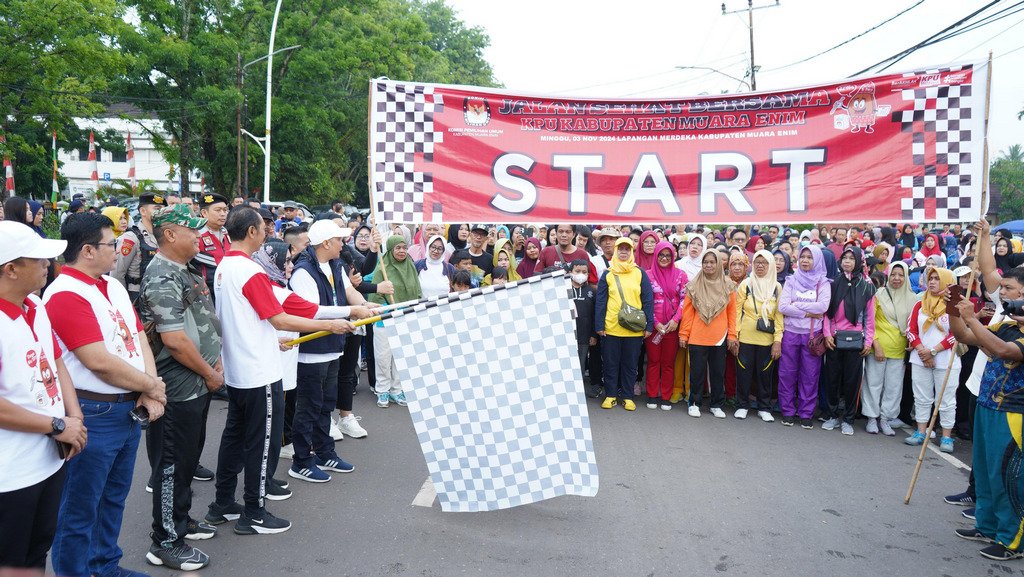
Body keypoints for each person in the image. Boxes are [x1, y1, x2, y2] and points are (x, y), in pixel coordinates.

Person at [207, 206, 353, 536]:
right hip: (258, 372)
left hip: (240, 371)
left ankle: (223, 503)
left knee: (234, 439)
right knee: (260, 444)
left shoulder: (226, 267)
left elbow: (285, 304)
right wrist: (328, 324)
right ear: (252, 233)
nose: (268, 234)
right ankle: (254, 513)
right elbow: (279, 318)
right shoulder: (248, 270)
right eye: (264, 229)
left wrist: (339, 311)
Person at [44, 212, 166, 577]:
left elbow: (138, 336)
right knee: (79, 508)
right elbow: (98, 361)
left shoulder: (110, 285)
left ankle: (104, 566)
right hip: (94, 412)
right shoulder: (65, 294)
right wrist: (151, 386)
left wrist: (150, 389)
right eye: (110, 244)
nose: (117, 251)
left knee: (113, 499)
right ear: (86, 250)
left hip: (127, 407)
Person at [0, 221, 86, 572]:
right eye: (39, 259)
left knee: (36, 553)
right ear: (11, 269)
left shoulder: (34, 305)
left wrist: (74, 418)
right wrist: (55, 425)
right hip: (10, 472)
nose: (49, 265)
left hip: (47, 461)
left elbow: (56, 362)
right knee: (10, 560)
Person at [139, 205, 221, 571]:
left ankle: (182, 520)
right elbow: (173, 340)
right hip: (178, 385)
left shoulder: (182, 269)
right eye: (192, 231)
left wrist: (212, 362)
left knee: (187, 459)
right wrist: (209, 372)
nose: (198, 237)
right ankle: (166, 541)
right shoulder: (161, 276)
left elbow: (199, 323)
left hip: (196, 382)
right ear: (170, 235)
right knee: (171, 464)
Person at [286, 221, 371, 484]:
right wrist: (352, 311)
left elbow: (349, 292)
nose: (343, 244)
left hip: (333, 348)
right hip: (311, 351)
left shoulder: (336, 264)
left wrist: (366, 305)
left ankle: (325, 453)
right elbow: (312, 311)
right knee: (308, 409)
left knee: (325, 406)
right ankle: (301, 461)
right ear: (325, 243)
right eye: (339, 240)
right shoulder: (303, 271)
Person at [949, 267, 1024, 561]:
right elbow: (965, 335)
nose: (1001, 292)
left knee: (1009, 476)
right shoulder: (1005, 323)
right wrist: (954, 307)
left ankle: (1012, 539)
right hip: (987, 406)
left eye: (1007, 288)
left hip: (1013, 413)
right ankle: (988, 525)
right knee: (985, 471)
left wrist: (970, 317)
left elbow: (1004, 351)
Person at [595, 236, 653, 411]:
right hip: (611, 327)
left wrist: (649, 325)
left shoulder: (639, 273)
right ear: (615, 250)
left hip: (634, 329)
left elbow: (648, 300)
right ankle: (611, 395)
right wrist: (599, 325)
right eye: (620, 248)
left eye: (627, 249)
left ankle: (627, 396)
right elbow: (601, 301)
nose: (623, 252)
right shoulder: (608, 273)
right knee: (610, 364)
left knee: (630, 364)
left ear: (631, 252)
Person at [904, 266, 959, 451]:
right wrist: (922, 351)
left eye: (937, 278)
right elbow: (910, 331)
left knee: (946, 400)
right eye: (931, 278)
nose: (933, 281)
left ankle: (946, 437)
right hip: (920, 358)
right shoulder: (920, 304)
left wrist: (933, 351)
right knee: (921, 397)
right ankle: (921, 431)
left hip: (947, 360)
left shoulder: (954, 305)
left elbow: (958, 334)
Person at [822, 247, 876, 436]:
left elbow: (869, 318)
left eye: (851, 258)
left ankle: (848, 419)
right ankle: (832, 416)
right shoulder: (834, 283)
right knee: (832, 378)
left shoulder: (866, 286)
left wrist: (868, 341)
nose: (847, 261)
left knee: (852, 382)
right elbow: (827, 314)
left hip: (855, 341)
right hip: (835, 339)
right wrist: (827, 334)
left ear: (859, 261)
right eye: (844, 257)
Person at [679, 249, 737, 418]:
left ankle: (716, 404)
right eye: (706, 262)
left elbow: (732, 313)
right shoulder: (694, 285)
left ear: (719, 264)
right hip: (697, 336)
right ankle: (694, 403)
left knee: (718, 372)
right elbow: (687, 313)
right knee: (696, 372)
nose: (709, 265)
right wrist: (684, 333)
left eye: (712, 262)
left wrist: (732, 335)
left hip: (719, 336)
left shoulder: (728, 285)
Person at [778, 246, 831, 428]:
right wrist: (808, 312)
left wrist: (796, 305)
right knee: (787, 373)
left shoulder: (823, 283)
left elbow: (823, 306)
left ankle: (806, 413)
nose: (805, 260)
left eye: (810, 257)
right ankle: (787, 411)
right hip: (790, 333)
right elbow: (783, 307)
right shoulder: (791, 280)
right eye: (803, 257)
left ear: (816, 260)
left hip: (812, 336)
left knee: (810, 375)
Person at [369, 235, 423, 408]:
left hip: (405, 318)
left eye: (404, 248)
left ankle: (397, 389)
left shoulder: (411, 266)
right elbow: (374, 294)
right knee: (383, 357)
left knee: (401, 357)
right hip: (385, 319)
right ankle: (382, 389)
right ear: (391, 249)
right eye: (397, 248)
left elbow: (417, 290)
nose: (401, 251)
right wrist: (387, 307)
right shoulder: (382, 268)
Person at [863, 261, 915, 436]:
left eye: (901, 275)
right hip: (878, 348)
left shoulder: (913, 298)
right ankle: (871, 418)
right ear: (888, 275)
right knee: (873, 383)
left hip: (899, 350)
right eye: (893, 274)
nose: (897, 278)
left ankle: (885, 419)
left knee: (893, 387)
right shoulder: (878, 294)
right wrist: (875, 344)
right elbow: (869, 322)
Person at [734, 250, 783, 421]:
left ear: (770, 266)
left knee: (765, 374)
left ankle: (764, 407)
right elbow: (736, 311)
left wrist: (777, 341)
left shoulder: (776, 287)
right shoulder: (746, 284)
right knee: (743, 372)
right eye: (757, 262)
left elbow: (778, 316)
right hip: (745, 337)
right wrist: (735, 336)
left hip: (767, 339)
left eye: (764, 263)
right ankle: (741, 405)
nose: (760, 266)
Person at [645, 241, 686, 410]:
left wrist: (675, 320)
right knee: (653, 361)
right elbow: (645, 301)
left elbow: (685, 299)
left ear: (673, 257)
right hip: (654, 326)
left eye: (668, 256)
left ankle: (666, 396)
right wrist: (655, 322)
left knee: (668, 363)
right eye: (661, 255)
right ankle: (652, 395)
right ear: (656, 255)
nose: (664, 258)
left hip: (672, 327)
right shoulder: (647, 275)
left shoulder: (681, 275)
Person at [113, 193, 166, 305]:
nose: (162, 212)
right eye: (157, 208)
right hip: (137, 297)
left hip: (160, 295)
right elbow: (117, 275)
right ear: (143, 211)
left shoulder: (163, 235)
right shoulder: (131, 238)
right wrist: (124, 304)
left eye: (163, 208)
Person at [568, 259, 599, 397]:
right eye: (577, 271)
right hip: (566, 335)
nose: (581, 274)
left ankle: (577, 394)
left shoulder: (591, 292)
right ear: (570, 272)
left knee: (580, 364)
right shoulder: (564, 289)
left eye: (584, 272)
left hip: (584, 336)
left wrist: (594, 334)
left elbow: (595, 315)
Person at [191, 194, 231, 298]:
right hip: (206, 293)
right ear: (204, 213)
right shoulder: (196, 235)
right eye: (218, 210)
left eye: (225, 210)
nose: (223, 214)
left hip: (227, 290)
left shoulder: (227, 233)